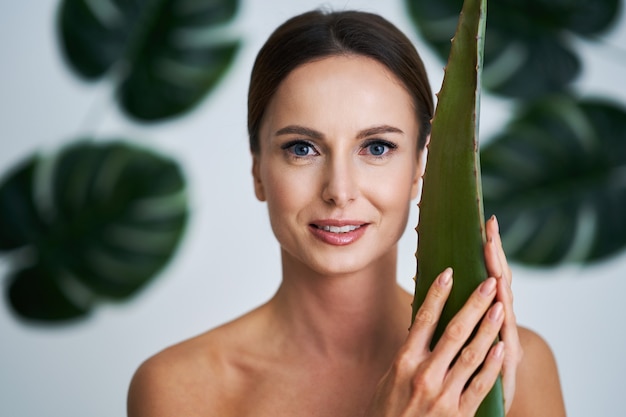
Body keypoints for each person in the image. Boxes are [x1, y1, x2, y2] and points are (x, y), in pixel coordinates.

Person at [127, 9, 566, 417]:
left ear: (420, 168)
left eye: (377, 147)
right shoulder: (180, 388)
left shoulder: (510, 365)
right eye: (302, 148)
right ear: (258, 168)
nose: (339, 191)